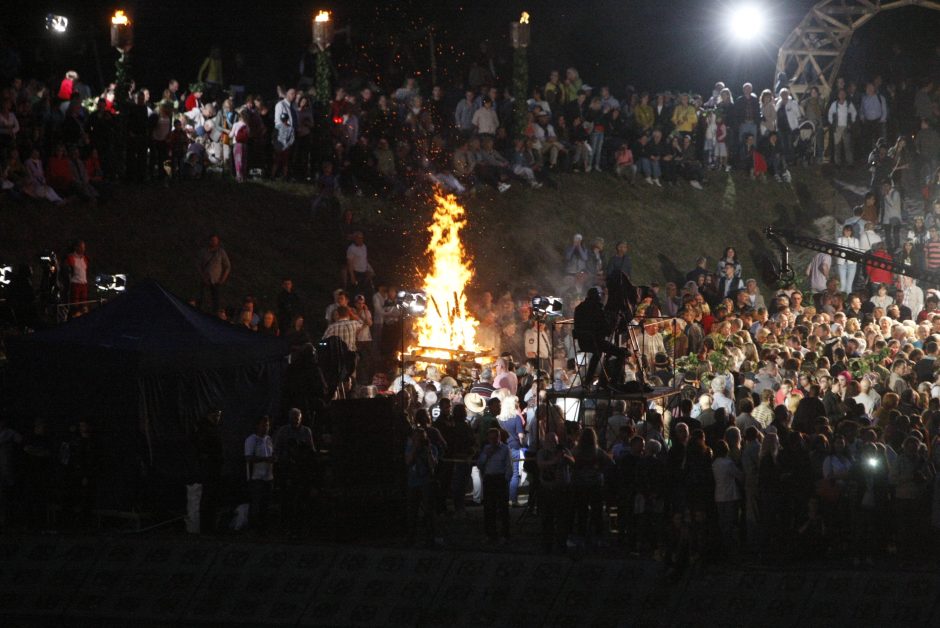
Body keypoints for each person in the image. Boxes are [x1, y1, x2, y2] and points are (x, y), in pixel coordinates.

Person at [406, 427, 440, 546]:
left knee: (428, 511)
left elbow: (433, 467)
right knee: (412, 511)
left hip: (426, 482)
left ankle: (430, 537)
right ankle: (411, 537)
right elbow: (408, 462)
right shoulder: (410, 448)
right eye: (416, 438)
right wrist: (415, 449)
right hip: (413, 482)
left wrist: (428, 451)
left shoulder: (432, 448)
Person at [477, 427, 512, 543]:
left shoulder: (505, 449)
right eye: (491, 438)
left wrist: (506, 479)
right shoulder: (486, 449)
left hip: (500, 479)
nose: (493, 441)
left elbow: (509, 465)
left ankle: (505, 534)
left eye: (495, 438)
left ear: (499, 438)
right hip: (489, 479)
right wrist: (486, 455)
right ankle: (490, 534)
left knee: (503, 509)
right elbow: (480, 464)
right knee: (489, 508)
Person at [244, 416, 275, 534]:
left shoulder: (269, 439)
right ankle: (253, 529)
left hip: (268, 477)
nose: (266, 428)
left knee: (265, 505)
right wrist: (265, 459)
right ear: (257, 426)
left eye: (267, 425)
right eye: (263, 425)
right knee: (256, 504)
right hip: (256, 477)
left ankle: (263, 529)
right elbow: (248, 457)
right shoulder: (251, 440)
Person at [197, 234, 231, 313]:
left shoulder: (221, 252)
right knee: (202, 299)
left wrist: (222, 279)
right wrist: (203, 276)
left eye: (215, 240)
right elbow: (198, 265)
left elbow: (227, 266)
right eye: (212, 240)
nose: (213, 242)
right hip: (205, 279)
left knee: (215, 301)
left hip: (216, 281)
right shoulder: (203, 252)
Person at [65, 240, 89, 310]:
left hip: (84, 285)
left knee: (84, 306)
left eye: (84, 247)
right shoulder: (71, 257)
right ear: (76, 248)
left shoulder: (85, 258)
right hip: (75, 284)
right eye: (81, 247)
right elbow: (66, 271)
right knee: (75, 306)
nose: (83, 249)